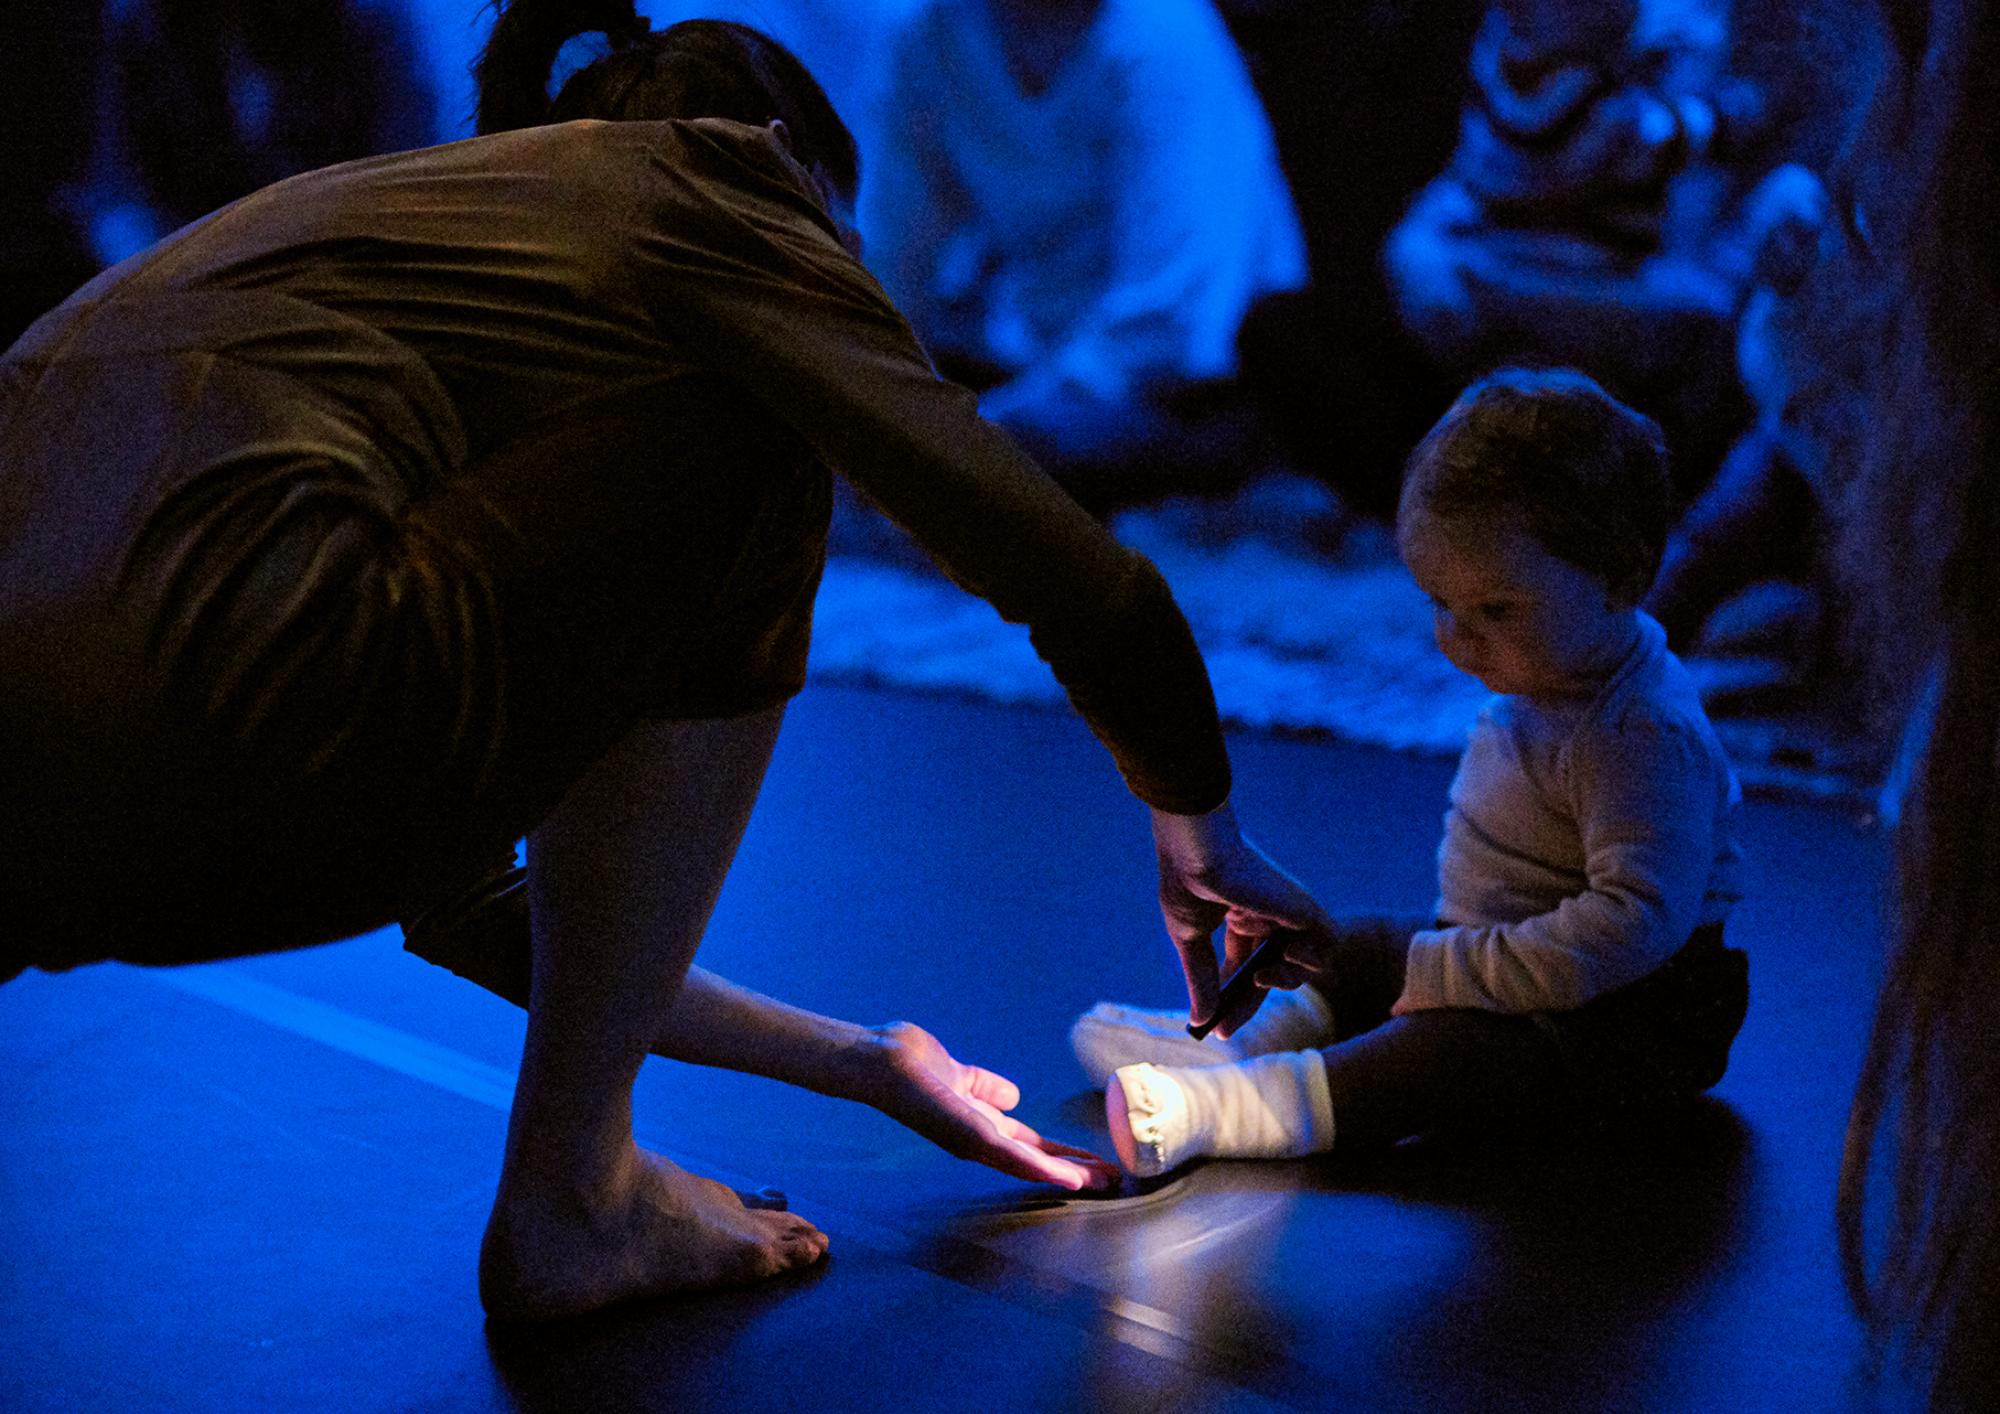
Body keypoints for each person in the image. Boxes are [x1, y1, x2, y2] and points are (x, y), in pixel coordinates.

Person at [0, 5, 1334, 1319]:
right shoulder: (715, 174)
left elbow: (465, 894)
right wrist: (1198, 815)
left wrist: (868, 1063)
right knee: (759, 434)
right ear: (790, 170)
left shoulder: (364, 250)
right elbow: (1056, 561)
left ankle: (593, 1185)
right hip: (262, 697)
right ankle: (575, 1196)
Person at [1070, 368, 1750, 1174]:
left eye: (1496, 611)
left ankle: (1234, 1109)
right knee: (1348, 943)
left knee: (1450, 1054)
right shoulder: (1549, 675)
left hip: (1628, 1017)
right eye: (1440, 603)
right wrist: (1444, 959)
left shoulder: (1639, 735)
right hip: (1515, 951)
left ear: (1620, 581)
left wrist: (1453, 972)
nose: (1459, 639)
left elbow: (1632, 926)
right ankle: (1237, 1044)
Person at [860, 0, 1306, 507]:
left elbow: (1172, 310)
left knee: (1007, 471)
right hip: (1036, 355)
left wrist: (975, 433)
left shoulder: (1160, 33)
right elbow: (892, 254)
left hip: (1191, 380)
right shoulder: (935, 36)